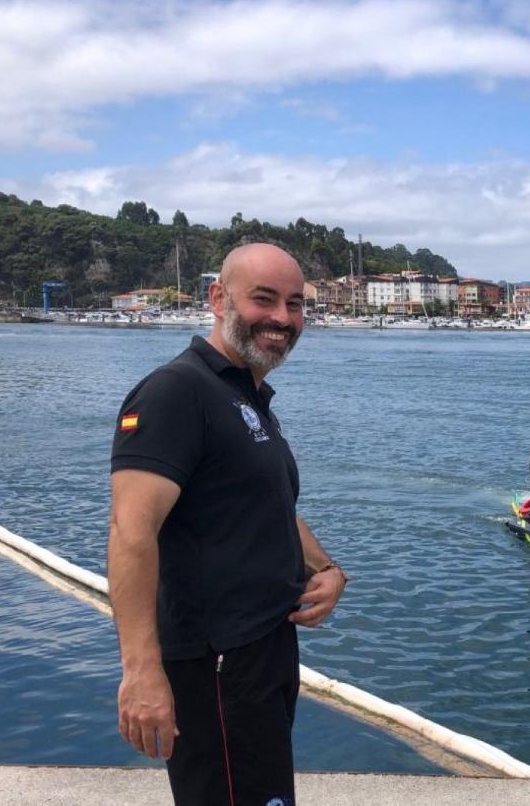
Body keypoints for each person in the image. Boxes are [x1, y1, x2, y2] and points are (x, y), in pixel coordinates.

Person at [107, 242, 348, 806]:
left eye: (294, 304)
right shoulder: (176, 391)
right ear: (218, 298)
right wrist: (141, 673)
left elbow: (266, 506)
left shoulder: (247, 394)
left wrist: (329, 569)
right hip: (214, 662)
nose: (282, 319)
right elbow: (130, 533)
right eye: (264, 300)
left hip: (263, 648)